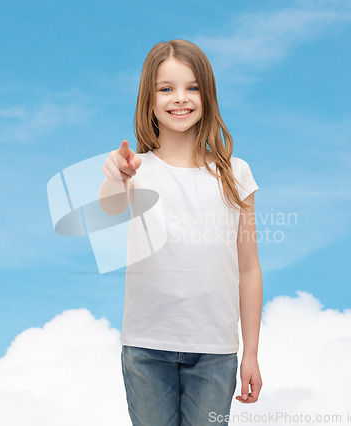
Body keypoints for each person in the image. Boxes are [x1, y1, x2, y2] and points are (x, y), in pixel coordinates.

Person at [99, 39, 263, 426]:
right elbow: (108, 207)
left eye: (192, 87)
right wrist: (114, 174)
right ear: (149, 98)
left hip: (215, 351)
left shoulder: (235, 174)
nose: (180, 98)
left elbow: (249, 269)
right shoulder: (134, 169)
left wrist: (251, 353)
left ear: (207, 95)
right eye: (166, 88)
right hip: (146, 349)